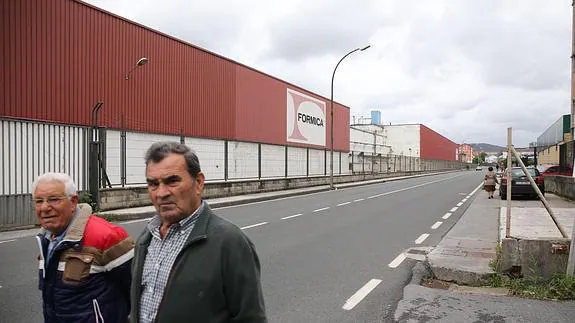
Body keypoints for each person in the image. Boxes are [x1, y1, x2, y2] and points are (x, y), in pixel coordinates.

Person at [130, 141, 267, 323]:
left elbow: (250, 318)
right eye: (153, 184)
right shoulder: (146, 238)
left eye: (172, 181)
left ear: (199, 183)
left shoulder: (229, 242)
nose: (161, 193)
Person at [33, 172, 134, 323]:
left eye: (54, 199)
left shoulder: (107, 236)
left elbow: (135, 289)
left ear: (73, 202)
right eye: (39, 201)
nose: (45, 207)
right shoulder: (46, 239)